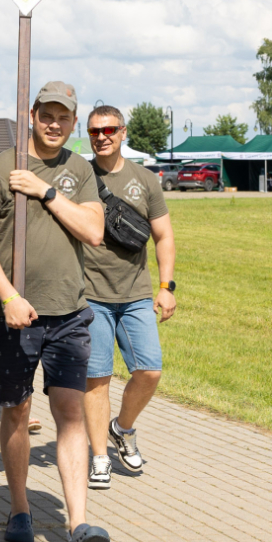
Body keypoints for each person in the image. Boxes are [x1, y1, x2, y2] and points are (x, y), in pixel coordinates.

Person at [0, 80, 109, 542]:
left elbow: (93, 231)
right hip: (15, 317)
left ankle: (77, 523)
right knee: (17, 410)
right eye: (46, 114)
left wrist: (46, 191)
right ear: (31, 114)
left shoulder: (79, 171)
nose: (54, 123)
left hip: (69, 312)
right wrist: (6, 295)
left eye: (63, 116)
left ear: (74, 121)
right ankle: (21, 508)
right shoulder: (0, 167)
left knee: (70, 411)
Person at [81, 106, 176, 488]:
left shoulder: (145, 180)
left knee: (150, 370)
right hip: (91, 294)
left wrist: (167, 287)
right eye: (94, 131)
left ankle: (121, 428)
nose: (102, 136)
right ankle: (100, 457)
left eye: (109, 129)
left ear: (123, 132)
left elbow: (164, 236)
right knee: (97, 378)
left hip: (136, 293)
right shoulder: (79, 176)